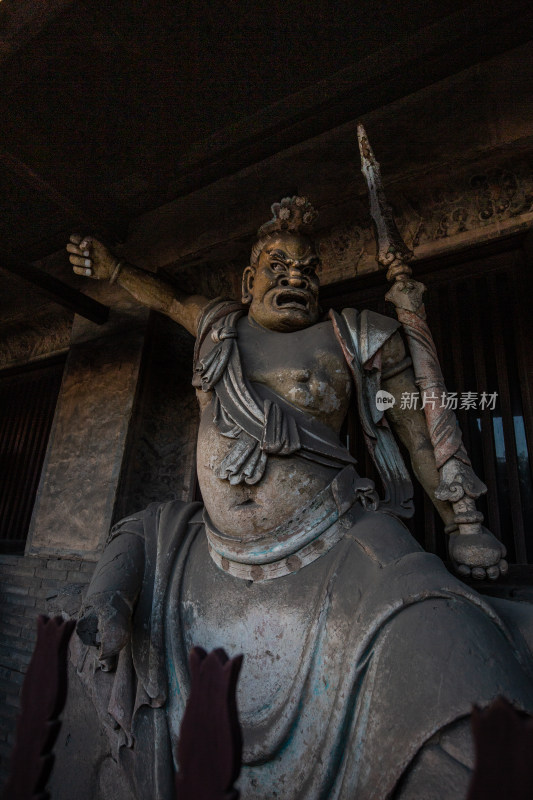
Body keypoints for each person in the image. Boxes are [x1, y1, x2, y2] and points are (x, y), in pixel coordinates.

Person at [66, 198, 530, 800]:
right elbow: (168, 299)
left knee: (435, 628)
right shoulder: (219, 327)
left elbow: (421, 432)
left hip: (334, 543)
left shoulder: (355, 338)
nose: (295, 276)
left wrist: (462, 522)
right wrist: (115, 271)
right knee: (143, 530)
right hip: (213, 550)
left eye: (309, 269)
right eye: (278, 264)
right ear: (246, 280)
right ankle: (102, 617)